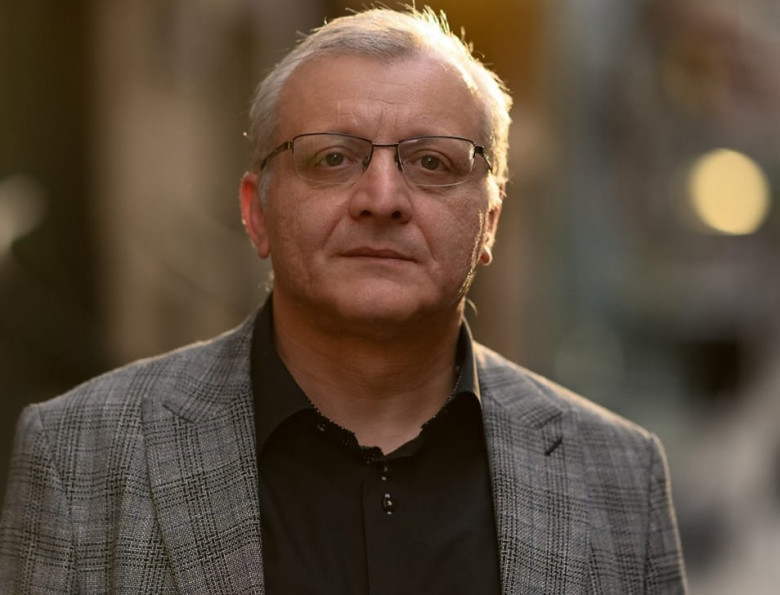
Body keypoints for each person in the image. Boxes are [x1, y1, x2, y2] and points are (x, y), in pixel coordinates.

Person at [0, 7, 687, 594]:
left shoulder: (619, 476)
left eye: (432, 162)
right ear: (257, 212)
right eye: (332, 158)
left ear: (490, 223)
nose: (382, 199)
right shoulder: (79, 454)